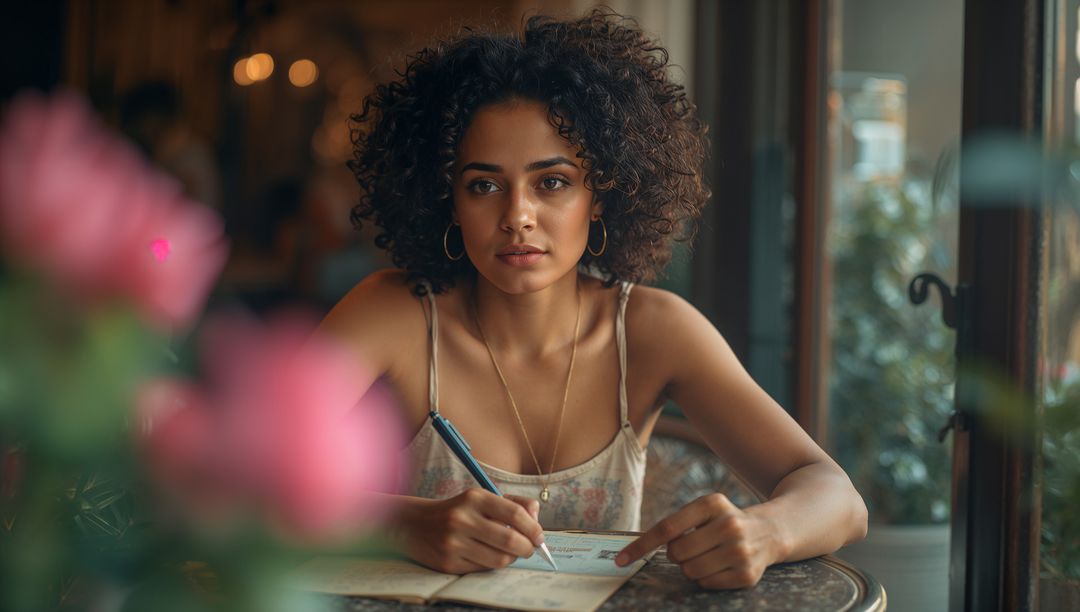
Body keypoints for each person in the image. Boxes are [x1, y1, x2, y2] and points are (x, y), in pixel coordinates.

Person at [320, 9, 867, 589]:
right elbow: (226, 478)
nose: (517, 217)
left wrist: (766, 533)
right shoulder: (391, 315)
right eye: (483, 185)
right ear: (447, 200)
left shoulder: (655, 331)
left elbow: (838, 498)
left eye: (551, 182)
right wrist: (401, 522)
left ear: (602, 195)